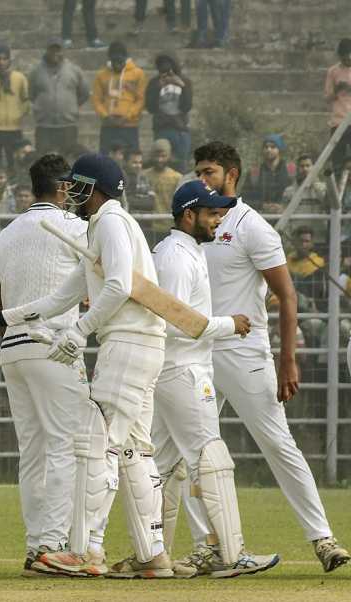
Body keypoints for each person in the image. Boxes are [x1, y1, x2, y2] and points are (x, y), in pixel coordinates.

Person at [0, 153, 171, 578]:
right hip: (136, 342)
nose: (71, 191)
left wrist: (80, 331)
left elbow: (118, 285)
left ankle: (84, 550)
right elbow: (59, 298)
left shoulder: (108, 219)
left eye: (78, 184)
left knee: (96, 446)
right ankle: (152, 556)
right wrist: (3, 319)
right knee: (132, 450)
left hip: (127, 341)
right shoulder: (99, 225)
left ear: (97, 187)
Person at [186, 140, 350, 573]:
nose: (203, 179)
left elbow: (286, 293)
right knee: (190, 451)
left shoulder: (251, 226)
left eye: (210, 172)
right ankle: (208, 546)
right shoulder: (194, 223)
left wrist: (287, 359)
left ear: (231, 175)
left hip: (243, 351)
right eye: (199, 172)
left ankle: (323, 539)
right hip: (197, 349)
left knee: (278, 444)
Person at [152, 179, 280, 578]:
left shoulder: (183, 251)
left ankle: (152, 555)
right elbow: (171, 322)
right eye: (210, 212)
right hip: (184, 370)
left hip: (179, 369)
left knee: (161, 464)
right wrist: (228, 324)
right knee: (210, 458)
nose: (218, 219)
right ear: (188, 215)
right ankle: (229, 554)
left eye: (220, 211)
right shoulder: (175, 256)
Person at [0, 153, 89, 576]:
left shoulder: (6, 233)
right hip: (54, 346)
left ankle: (37, 545)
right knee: (64, 446)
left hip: (12, 346)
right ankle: (53, 544)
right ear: (63, 187)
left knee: (32, 452)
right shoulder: (76, 228)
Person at [29, 39, 89, 157]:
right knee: (43, 160)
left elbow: (84, 93)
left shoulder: (74, 70)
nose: (55, 53)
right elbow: (31, 94)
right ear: (47, 50)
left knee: (68, 160)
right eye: (52, 50)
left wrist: (70, 107)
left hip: (67, 126)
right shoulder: (36, 71)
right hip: (44, 126)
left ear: (63, 51)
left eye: (58, 50)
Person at [93, 42, 146, 154]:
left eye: (120, 61)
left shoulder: (138, 74)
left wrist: (127, 116)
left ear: (126, 59)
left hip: (129, 125)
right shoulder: (101, 75)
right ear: (109, 60)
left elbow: (141, 99)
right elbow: (96, 100)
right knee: (105, 158)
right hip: (108, 125)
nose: (117, 64)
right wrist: (106, 116)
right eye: (114, 62)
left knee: (130, 158)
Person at [145, 54, 192, 169]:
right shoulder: (154, 83)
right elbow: (151, 108)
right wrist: (158, 88)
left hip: (180, 129)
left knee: (180, 167)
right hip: (161, 129)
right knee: (161, 165)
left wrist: (182, 86)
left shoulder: (185, 81)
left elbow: (186, 107)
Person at [240, 134, 293, 214]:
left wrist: (284, 206)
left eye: (273, 147)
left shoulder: (291, 170)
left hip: (287, 220)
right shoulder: (254, 173)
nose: (268, 150)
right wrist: (262, 205)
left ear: (279, 149)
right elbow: (244, 198)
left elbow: (300, 195)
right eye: (266, 147)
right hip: (261, 219)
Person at [145, 139, 184, 237]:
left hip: (170, 227)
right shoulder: (144, 176)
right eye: (157, 156)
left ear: (169, 156)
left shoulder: (177, 178)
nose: (160, 160)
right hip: (149, 227)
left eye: (163, 156)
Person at [325, 39, 351, 173]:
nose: (348, 62)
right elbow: (328, 98)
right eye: (345, 59)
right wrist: (337, 89)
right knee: (337, 163)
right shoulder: (333, 71)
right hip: (338, 122)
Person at [123, 148, 155, 213]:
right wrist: (141, 198)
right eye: (134, 162)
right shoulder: (120, 178)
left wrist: (133, 198)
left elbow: (151, 203)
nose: (138, 166)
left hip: (144, 221)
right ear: (126, 162)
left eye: (140, 162)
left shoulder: (144, 179)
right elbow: (123, 201)